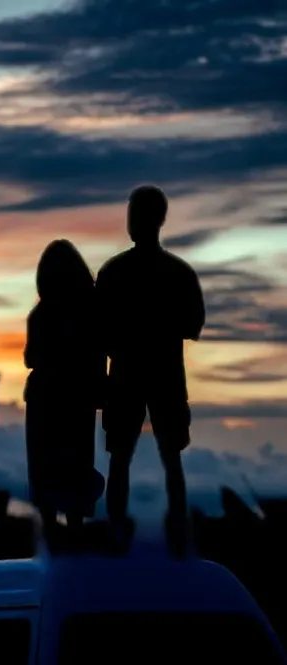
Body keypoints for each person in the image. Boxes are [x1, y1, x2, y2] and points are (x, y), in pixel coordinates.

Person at [96, 185, 205, 555]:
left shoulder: (115, 272)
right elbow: (192, 325)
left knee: (131, 458)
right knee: (154, 457)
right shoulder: (177, 272)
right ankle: (172, 531)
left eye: (136, 215)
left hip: (136, 376)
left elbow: (100, 331)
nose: (132, 223)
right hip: (157, 375)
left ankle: (139, 531)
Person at [24, 239, 105, 534]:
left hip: (47, 398)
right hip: (76, 399)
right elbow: (99, 356)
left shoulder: (41, 314)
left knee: (45, 466)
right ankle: (74, 528)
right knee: (76, 465)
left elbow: (30, 357)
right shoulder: (91, 311)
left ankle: (50, 531)